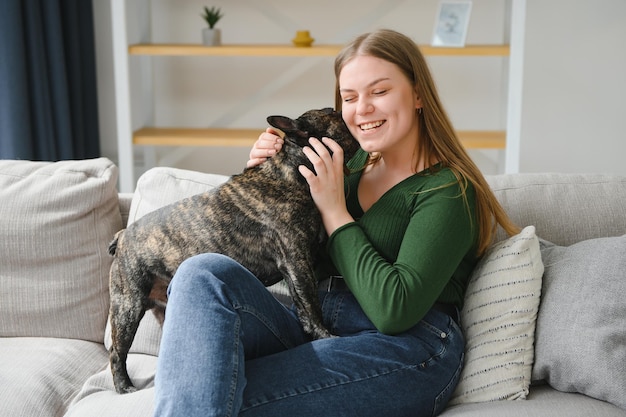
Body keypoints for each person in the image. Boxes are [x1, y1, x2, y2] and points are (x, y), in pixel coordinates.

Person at [153, 28, 519, 417]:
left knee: (217, 390)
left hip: (406, 348)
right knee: (201, 274)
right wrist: (266, 180)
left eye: (379, 92)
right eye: (349, 97)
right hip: (315, 322)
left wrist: (335, 213)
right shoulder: (344, 165)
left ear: (417, 94)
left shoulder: (448, 191)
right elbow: (283, 259)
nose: (362, 109)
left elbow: (395, 311)